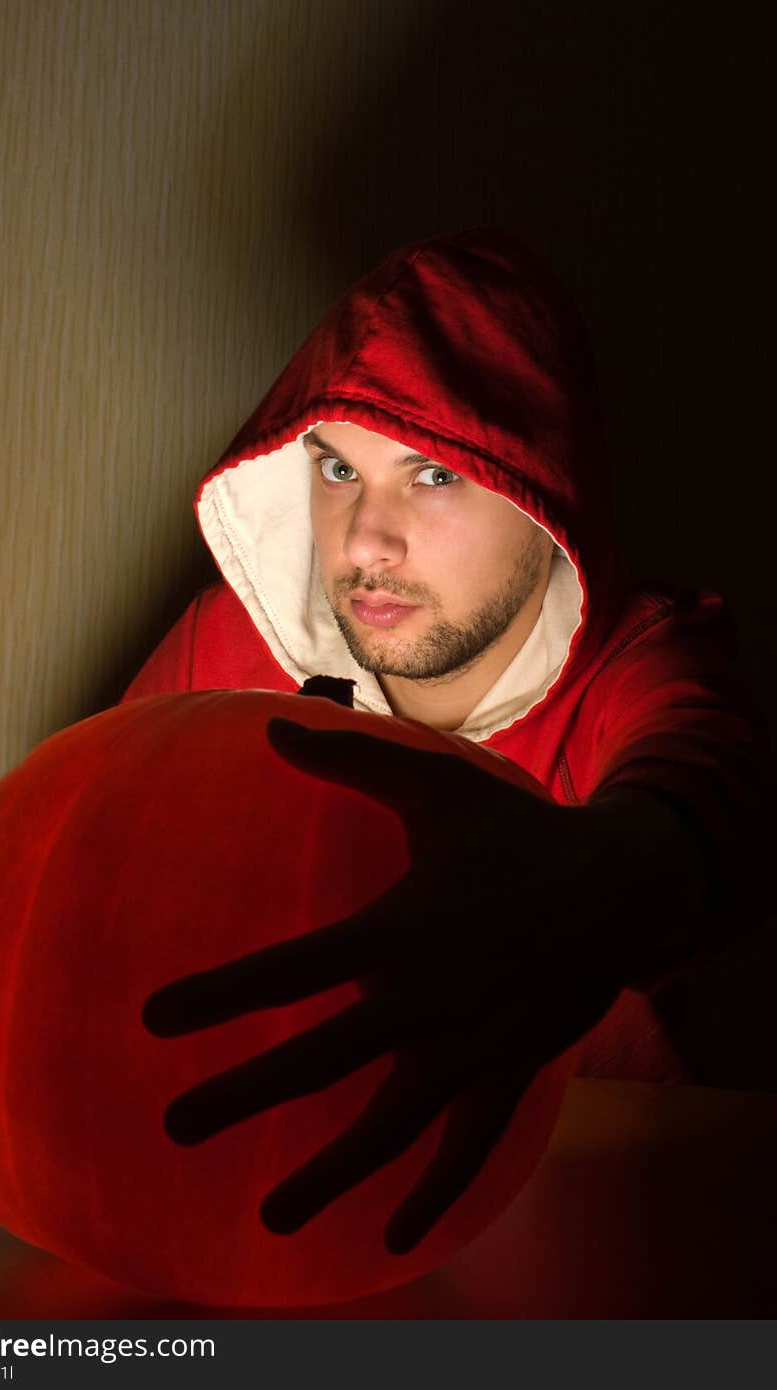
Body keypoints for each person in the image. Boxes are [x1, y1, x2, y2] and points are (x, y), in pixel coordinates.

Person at [125, 227, 772, 1254]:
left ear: (544, 494)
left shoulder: (643, 660)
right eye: (339, 468)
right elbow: (86, 875)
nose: (364, 539)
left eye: (432, 476)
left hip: (580, 1225)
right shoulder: (230, 645)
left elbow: (707, 793)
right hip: (255, 1211)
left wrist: (601, 879)